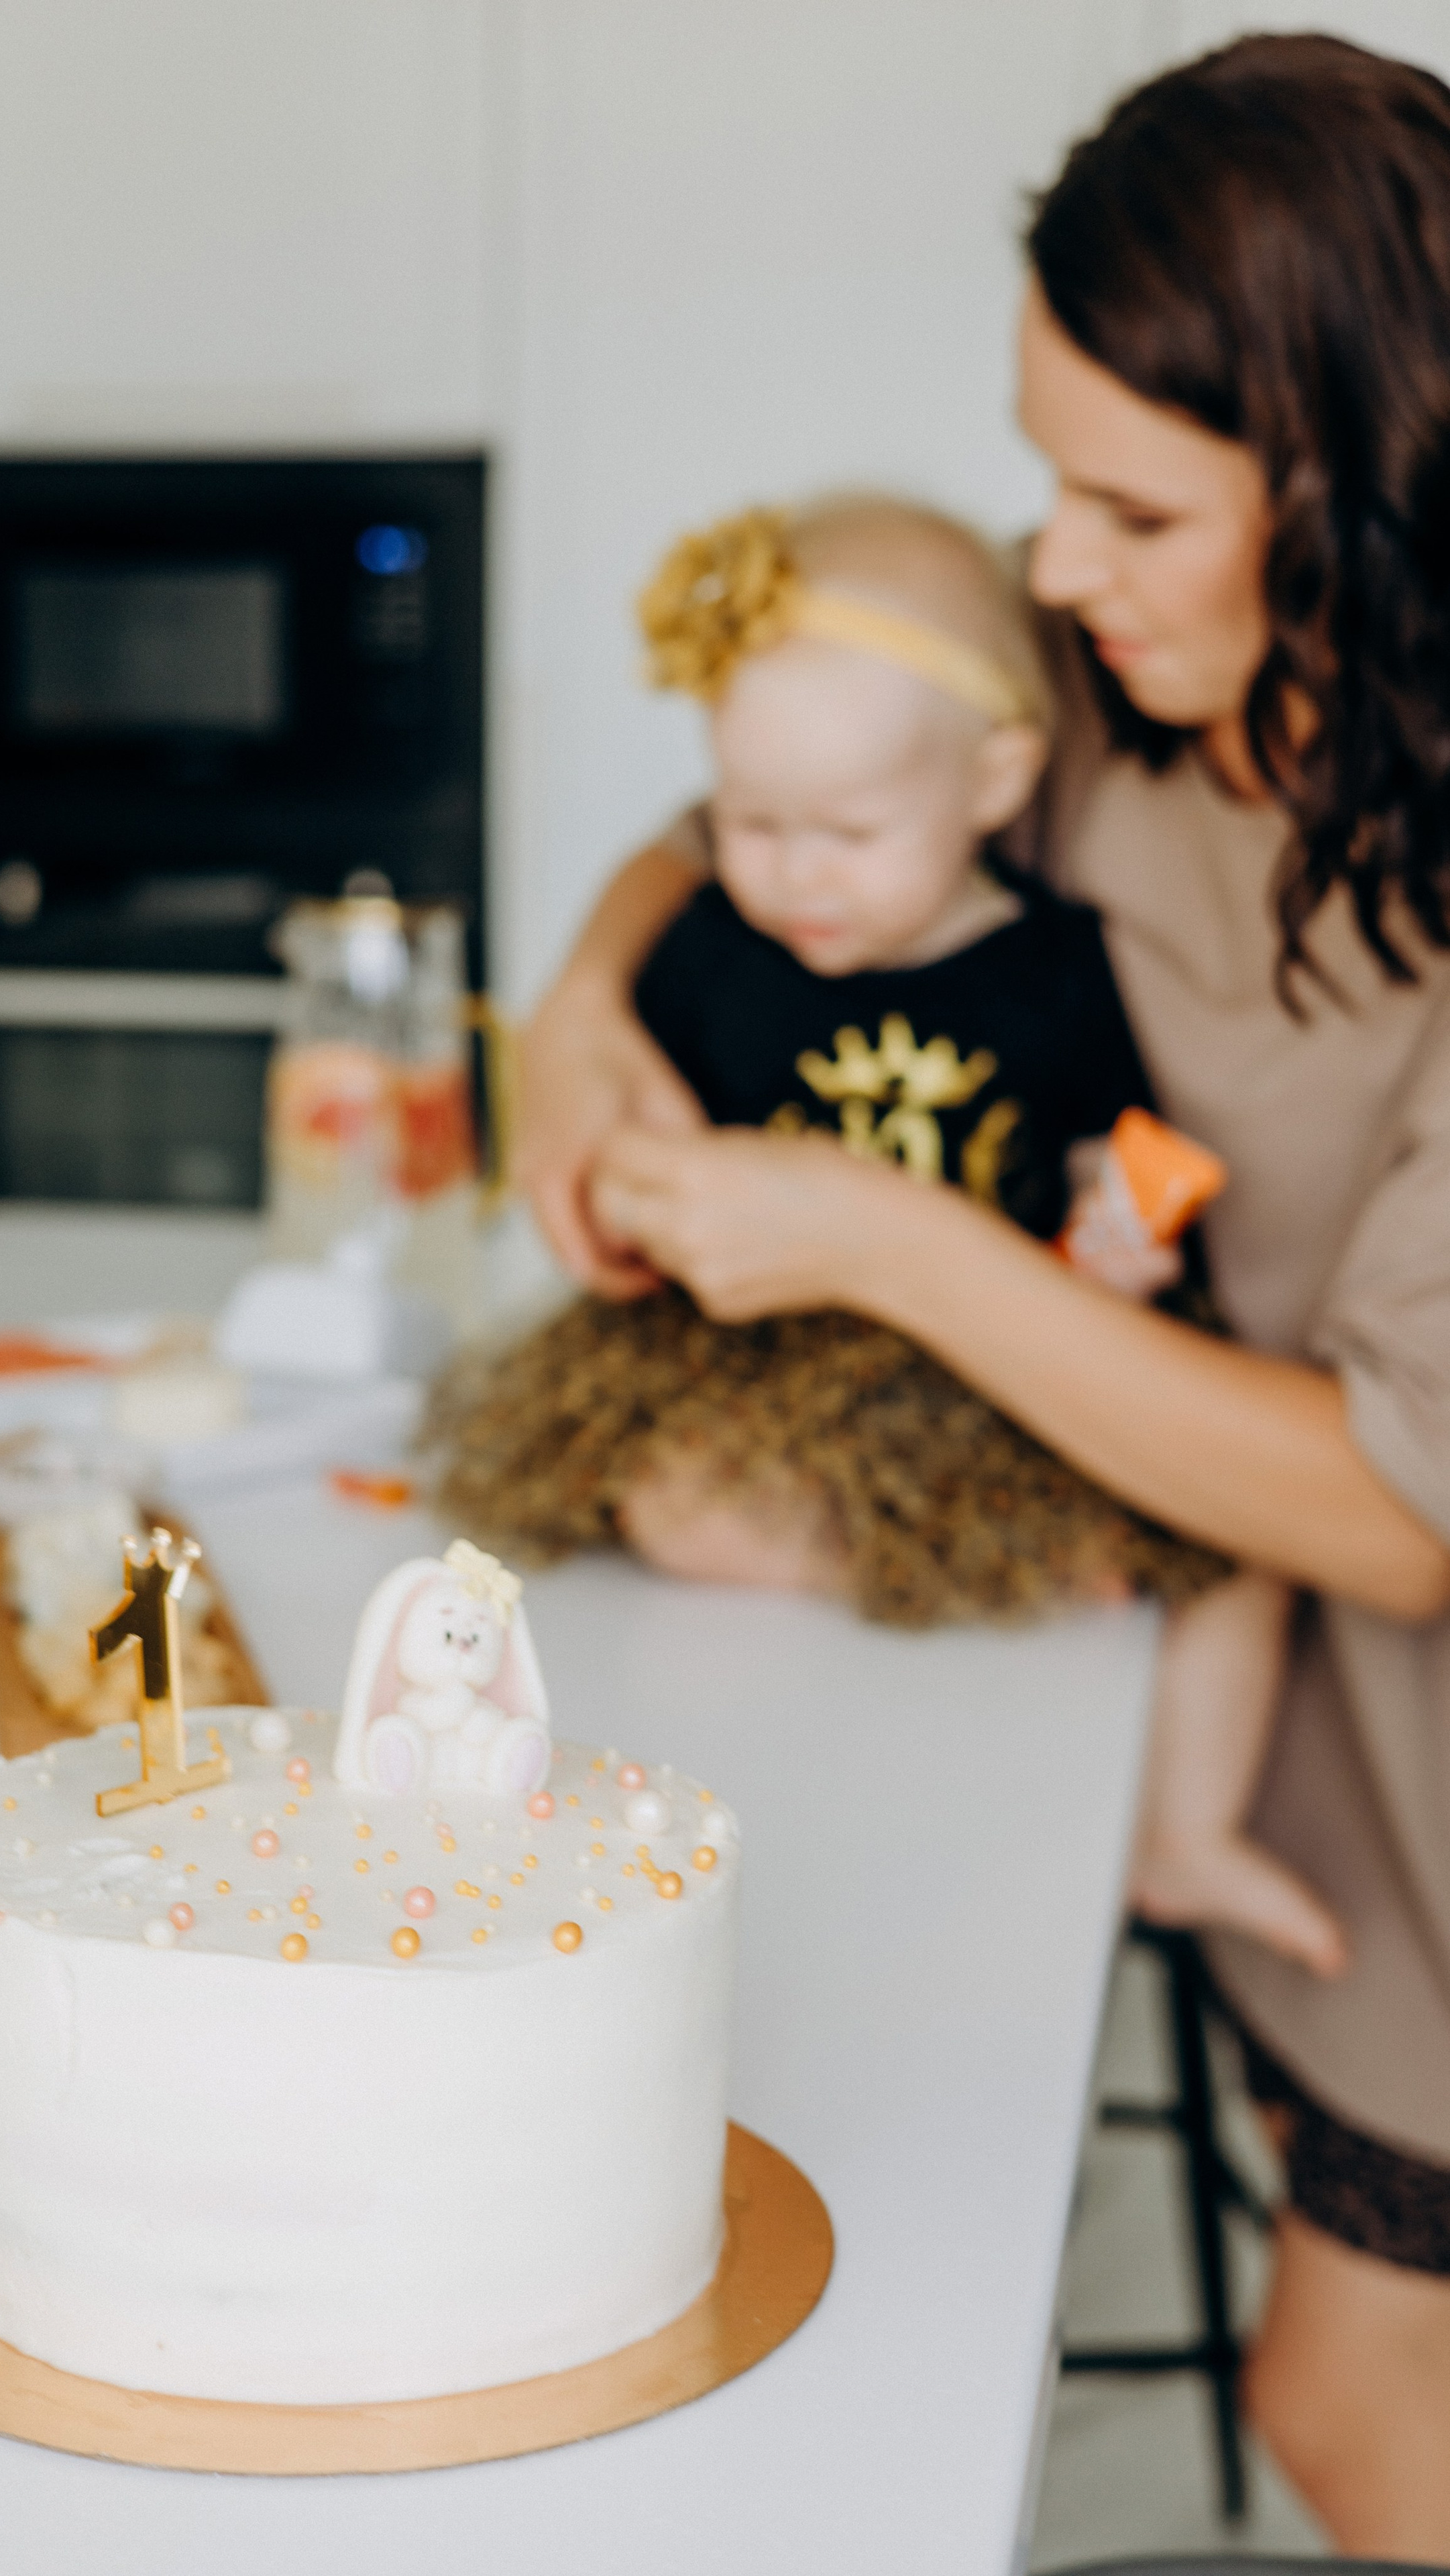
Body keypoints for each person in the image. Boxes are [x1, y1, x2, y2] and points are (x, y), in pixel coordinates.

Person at [514, 34, 1450, 2558]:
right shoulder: (1135, 712)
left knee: (1363, 2428)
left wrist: (886, 1245)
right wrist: (586, 1022)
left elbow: (1404, 1503)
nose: (1050, 564)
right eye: (1048, 481)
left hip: (1412, 1748)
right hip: (1302, 1765)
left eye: (1130, 505)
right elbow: (753, 839)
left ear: (1359, 513)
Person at [437, 488, 1344, 1978]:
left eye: (846, 831)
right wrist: (621, 1186)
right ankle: (970, 1574)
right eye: (745, 822)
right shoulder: (712, 953)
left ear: (995, 778)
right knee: (676, 1504)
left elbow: (1110, 1148)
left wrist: (1121, 1225)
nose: (790, 873)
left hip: (991, 1367)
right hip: (770, 1367)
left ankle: (1183, 1830)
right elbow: (611, 1134)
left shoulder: (1054, 970)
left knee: (1240, 1562)